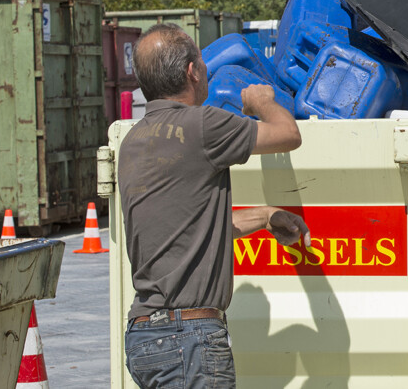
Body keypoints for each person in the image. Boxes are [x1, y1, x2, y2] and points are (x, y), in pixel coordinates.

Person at [119, 23, 308, 388]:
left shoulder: (133, 140)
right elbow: (289, 135)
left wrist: (265, 217)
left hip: (144, 337)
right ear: (192, 72)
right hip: (188, 338)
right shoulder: (202, 125)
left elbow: (189, 228)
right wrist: (261, 102)